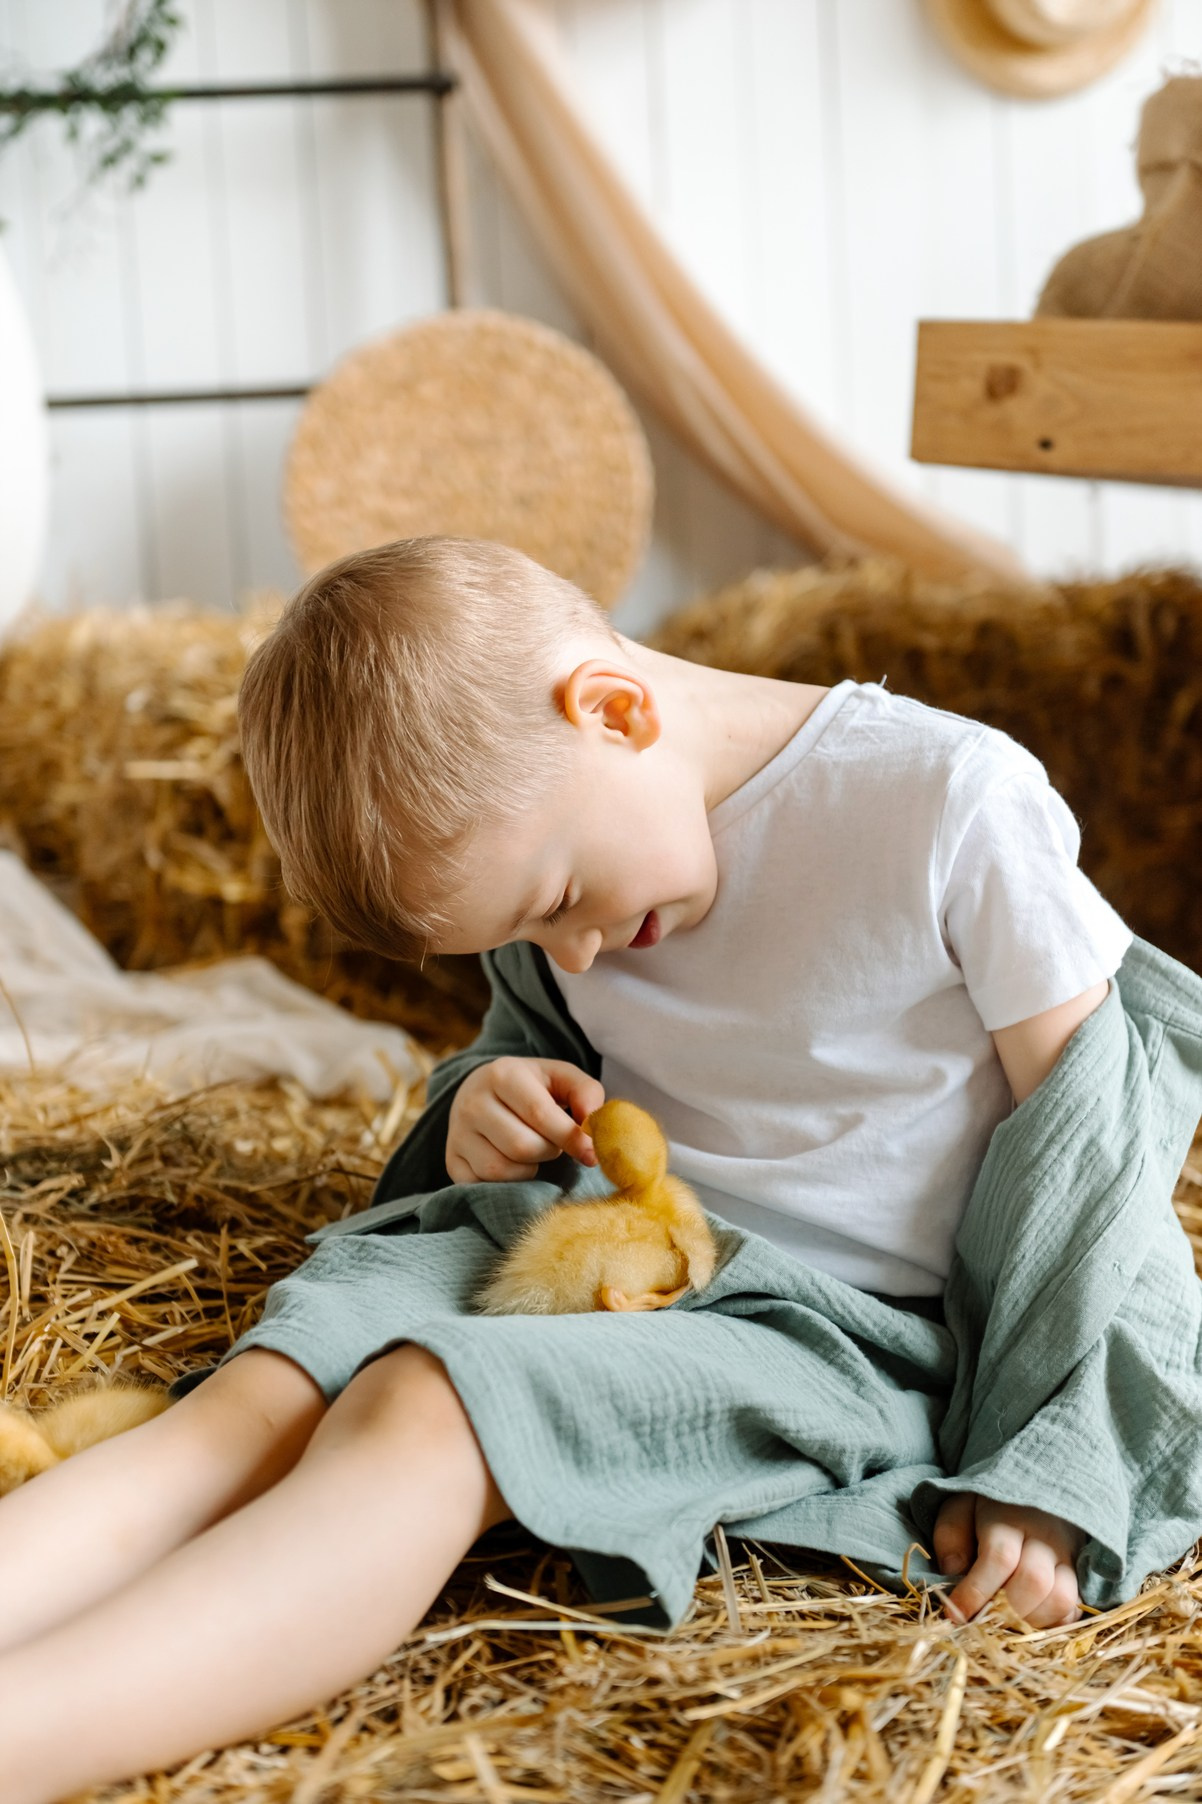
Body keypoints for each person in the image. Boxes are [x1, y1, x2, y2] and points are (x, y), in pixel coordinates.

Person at [0, 536, 1189, 1804]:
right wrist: (484, 1106)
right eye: (524, 932)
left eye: (557, 898)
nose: (569, 956)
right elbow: (525, 1047)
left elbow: (1096, 1166)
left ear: (612, 710)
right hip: (609, 1241)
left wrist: (1050, 1463)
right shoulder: (571, 868)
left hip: (841, 1330)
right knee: (265, 1394)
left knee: (428, 1405)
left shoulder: (947, 803)